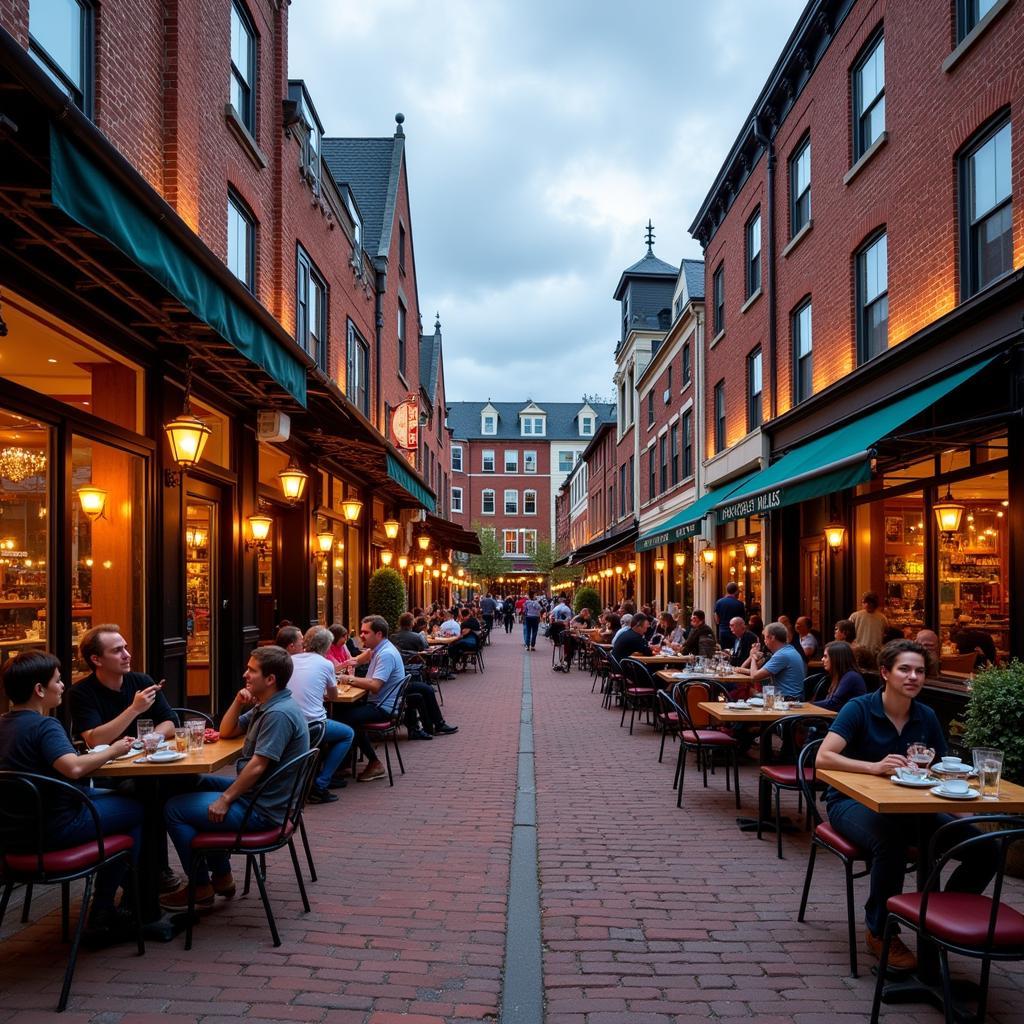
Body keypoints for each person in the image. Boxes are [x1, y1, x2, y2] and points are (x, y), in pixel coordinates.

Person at [816, 640, 997, 970]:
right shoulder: (859, 708)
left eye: (920, 671)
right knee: (891, 841)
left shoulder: (925, 716)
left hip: (912, 806)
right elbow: (823, 757)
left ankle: (939, 917)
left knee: (985, 847)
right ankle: (881, 929)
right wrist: (873, 767)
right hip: (850, 803)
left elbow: (942, 769)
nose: (913, 676)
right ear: (885, 673)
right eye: (905, 669)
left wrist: (964, 811)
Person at [0, 651, 143, 938]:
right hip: (55, 829)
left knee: (110, 797)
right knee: (140, 808)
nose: (63, 685)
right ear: (39, 690)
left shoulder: (4, 724)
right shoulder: (44, 725)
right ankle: (108, 908)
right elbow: (74, 767)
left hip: (12, 836)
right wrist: (115, 750)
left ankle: (126, 894)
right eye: (58, 680)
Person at [161, 645, 310, 910]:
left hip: (263, 810)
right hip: (262, 795)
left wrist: (225, 800)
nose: (245, 675)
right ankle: (222, 876)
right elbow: (226, 731)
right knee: (194, 783)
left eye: (252, 671)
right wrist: (238, 701)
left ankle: (201, 887)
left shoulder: (277, 714)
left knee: (173, 809)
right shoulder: (268, 704)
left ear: (270, 679)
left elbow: (257, 766)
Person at [275, 626, 354, 805]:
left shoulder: (290, 661)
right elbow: (333, 697)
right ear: (327, 646)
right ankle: (321, 783)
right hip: (313, 725)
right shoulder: (325, 664)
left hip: (286, 724)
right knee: (347, 734)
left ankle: (315, 775)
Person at [70, 624, 177, 748]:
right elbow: (94, 740)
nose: (127, 655)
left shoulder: (142, 681)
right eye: (117, 650)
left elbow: (171, 722)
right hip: (107, 764)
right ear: (96, 660)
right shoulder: (80, 692)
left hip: (147, 758)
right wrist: (134, 709)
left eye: (125, 648)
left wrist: (150, 739)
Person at [335, 616, 410, 782]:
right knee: (341, 711)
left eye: (365, 632)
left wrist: (348, 679)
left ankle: (372, 762)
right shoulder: (379, 649)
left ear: (379, 634)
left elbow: (375, 685)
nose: (361, 635)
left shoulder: (386, 654)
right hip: (379, 703)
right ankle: (344, 762)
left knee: (342, 719)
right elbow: (360, 658)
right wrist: (344, 665)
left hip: (383, 708)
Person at [736, 621, 806, 698]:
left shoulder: (781, 655)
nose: (764, 641)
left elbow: (754, 676)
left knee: (743, 693)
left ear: (772, 637)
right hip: (793, 697)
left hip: (786, 700)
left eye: (765, 637)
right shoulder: (789, 650)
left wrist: (753, 656)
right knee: (745, 692)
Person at [812, 641, 866, 710]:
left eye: (825, 656)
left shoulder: (851, 676)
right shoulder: (839, 676)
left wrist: (807, 705)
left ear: (836, 658)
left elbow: (833, 704)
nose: (822, 659)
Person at [714, 582, 746, 649]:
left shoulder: (719, 602)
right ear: (736, 591)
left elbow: (717, 620)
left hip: (722, 632)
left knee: (725, 653)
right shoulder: (740, 604)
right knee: (735, 652)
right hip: (736, 633)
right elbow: (742, 621)